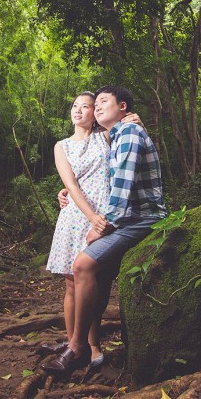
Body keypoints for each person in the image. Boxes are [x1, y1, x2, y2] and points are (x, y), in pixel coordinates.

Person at [42, 85, 167, 372]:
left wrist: (101, 223)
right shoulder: (66, 144)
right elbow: (76, 180)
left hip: (116, 215)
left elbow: (118, 177)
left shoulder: (114, 134)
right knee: (74, 279)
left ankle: (86, 346)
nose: (86, 108)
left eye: (94, 104)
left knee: (88, 273)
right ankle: (75, 343)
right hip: (95, 215)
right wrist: (67, 194)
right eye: (81, 104)